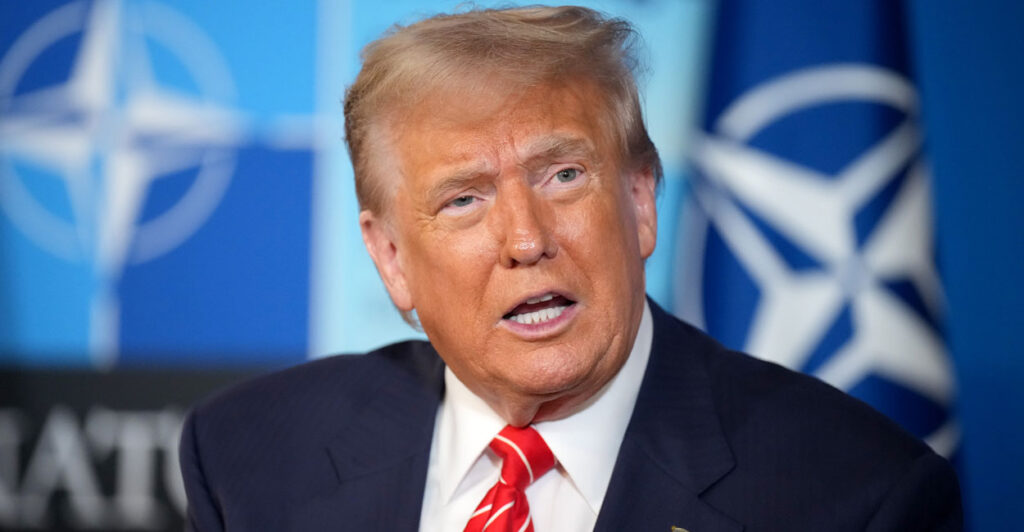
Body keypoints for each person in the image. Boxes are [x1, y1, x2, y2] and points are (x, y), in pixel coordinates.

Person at [179, 6, 962, 531]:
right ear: (390, 258)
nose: (526, 239)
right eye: (463, 200)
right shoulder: (250, 458)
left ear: (641, 200)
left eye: (564, 176)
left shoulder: (857, 497)